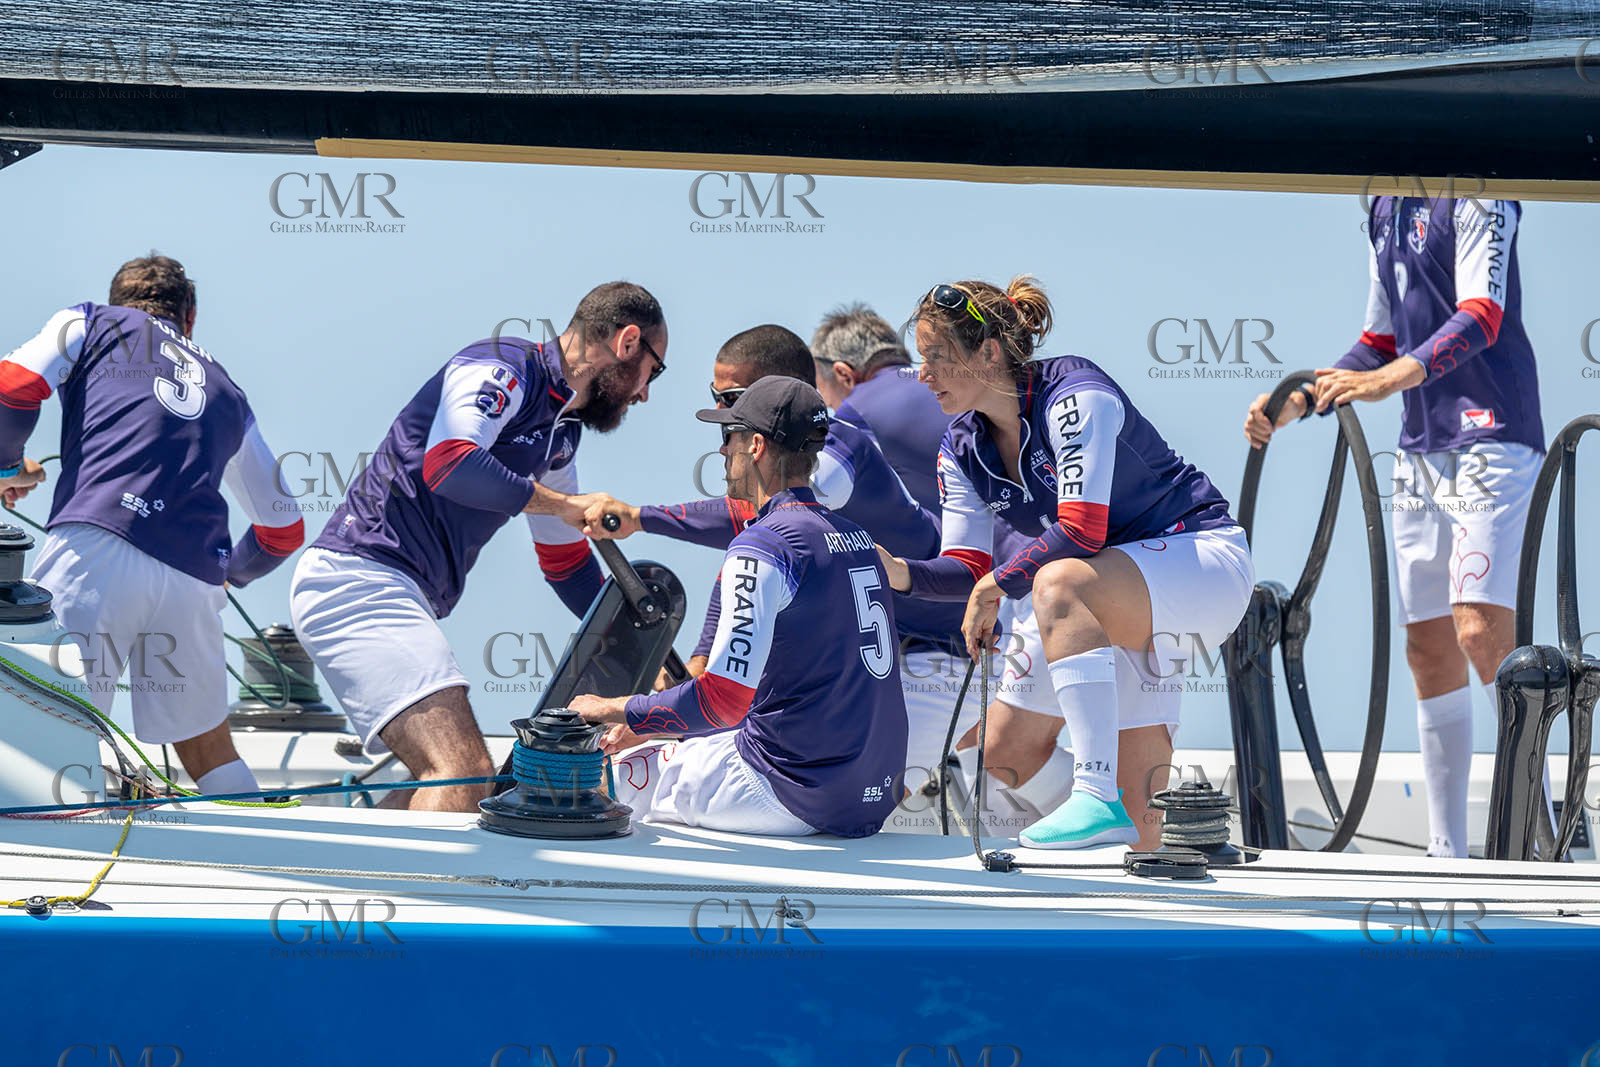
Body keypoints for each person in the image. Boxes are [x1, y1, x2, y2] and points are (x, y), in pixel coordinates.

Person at [878, 277, 1254, 850]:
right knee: (1141, 832)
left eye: (936, 356)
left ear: (989, 352)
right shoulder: (960, 445)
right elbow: (967, 567)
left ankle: (1093, 792)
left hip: (1200, 561)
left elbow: (1081, 529)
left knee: (1056, 585)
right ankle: (1138, 857)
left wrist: (996, 584)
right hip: (1117, 589)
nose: (922, 374)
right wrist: (901, 573)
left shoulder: (1075, 393)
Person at [289, 282, 667, 812]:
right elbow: (450, 462)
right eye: (654, 370)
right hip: (358, 579)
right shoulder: (503, 365)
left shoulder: (563, 433)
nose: (645, 394)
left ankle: (357, 858)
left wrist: (644, 654)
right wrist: (561, 504)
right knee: (463, 773)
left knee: (456, 781)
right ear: (628, 343)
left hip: (394, 588)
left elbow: (565, 564)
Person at [1245, 197, 1543, 859]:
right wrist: (1300, 400)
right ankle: (1447, 851)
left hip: (1492, 436)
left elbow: (1483, 315)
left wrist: (1390, 380)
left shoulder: (1480, 192)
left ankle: (1537, 834)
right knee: (1427, 647)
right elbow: (1379, 340)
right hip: (1420, 449)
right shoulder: (1382, 204)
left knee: (1480, 630)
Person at [577, 325, 976, 809]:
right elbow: (744, 563)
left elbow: (749, 534)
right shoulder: (819, 523)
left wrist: (638, 518)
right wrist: (693, 676)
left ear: (761, 434)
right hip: (876, 678)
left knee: (606, 781)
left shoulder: (830, 463)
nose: (721, 433)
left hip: (937, 653)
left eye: (731, 406)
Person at [0, 254, 304, 797]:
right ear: (190, 316)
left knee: (50, 717)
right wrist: (230, 577)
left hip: (98, 548)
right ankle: (262, 837)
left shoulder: (92, 320)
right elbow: (284, 529)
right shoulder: (229, 392)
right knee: (208, 749)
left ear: (120, 301)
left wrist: (5, 465)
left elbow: (15, 384)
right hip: (194, 580)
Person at [570, 376, 908, 837]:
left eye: (728, 436)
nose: (722, 450)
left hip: (788, 793)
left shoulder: (762, 546)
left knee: (606, 775)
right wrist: (654, 721)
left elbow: (722, 701)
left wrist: (614, 709)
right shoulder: (858, 539)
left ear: (755, 445)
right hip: (871, 796)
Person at [812, 303, 952, 514]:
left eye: (826, 397)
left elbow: (821, 489)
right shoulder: (951, 389)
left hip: (946, 533)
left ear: (844, 375)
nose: (830, 407)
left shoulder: (854, 412)